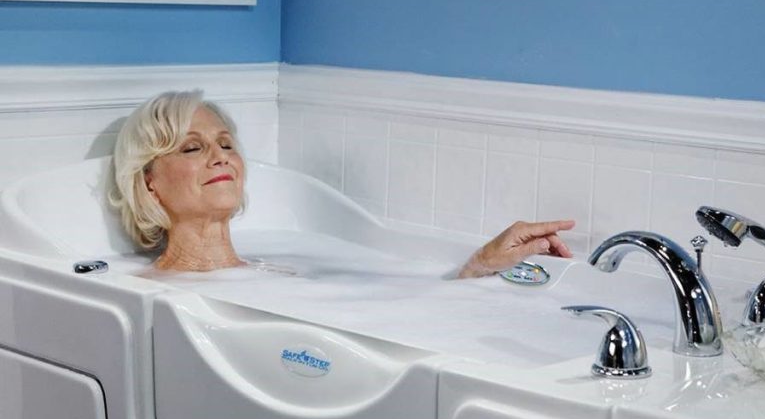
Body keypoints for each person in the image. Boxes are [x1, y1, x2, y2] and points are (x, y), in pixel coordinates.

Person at [110, 90, 574, 276]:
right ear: (149, 182)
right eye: (192, 148)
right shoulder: (153, 296)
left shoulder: (278, 271)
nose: (220, 157)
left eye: (226, 144)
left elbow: (390, 317)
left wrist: (478, 266)